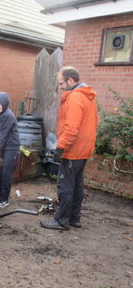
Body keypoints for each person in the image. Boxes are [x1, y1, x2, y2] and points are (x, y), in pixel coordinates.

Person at [41, 66, 98, 231]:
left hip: (73, 150)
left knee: (65, 185)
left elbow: (71, 128)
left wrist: (60, 147)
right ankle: (74, 218)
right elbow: (95, 123)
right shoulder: (88, 97)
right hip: (84, 149)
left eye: (61, 83)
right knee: (77, 184)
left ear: (70, 80)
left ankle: (61, 221)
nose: (60, 87)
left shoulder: (75, 98)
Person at [0, 92, 20, 208]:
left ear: (5, 103)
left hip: (11, 148)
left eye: (0, 104)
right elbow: (0, 134)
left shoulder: (8, 116)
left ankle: (4, 199)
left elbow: (3, 134)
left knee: (6, 173)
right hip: (4, 146)